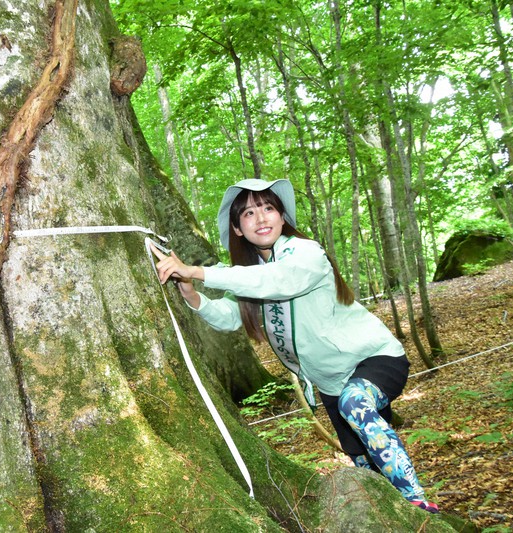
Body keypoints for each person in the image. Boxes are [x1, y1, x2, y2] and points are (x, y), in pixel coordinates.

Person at [149, 178, 439, 513]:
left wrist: (199, 271)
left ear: (282, 216)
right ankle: (392, 514)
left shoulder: (304, 252)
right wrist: (190, 293)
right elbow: (230, 316)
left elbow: (280, 280)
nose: (261, 218)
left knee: (355, 402)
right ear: (238, 229)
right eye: (249, 213)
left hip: (375, 357)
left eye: (268, 208)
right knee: (362, 459)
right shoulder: (251, 273)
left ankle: (418, 505)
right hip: (330, 381)